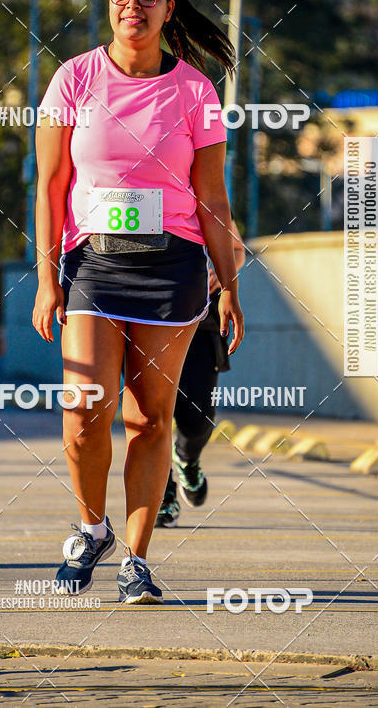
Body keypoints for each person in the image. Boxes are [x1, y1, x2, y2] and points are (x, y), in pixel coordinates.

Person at [32, 0, 244, 605]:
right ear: (110, 3)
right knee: (83, 414)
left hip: (173, 266)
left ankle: (137, 559)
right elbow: (49, 185)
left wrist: (230, 281)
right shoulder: (73, 79)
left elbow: (212, 197)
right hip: (93, 262)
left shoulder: (196, 93)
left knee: (150, 421)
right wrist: (47, 277)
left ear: (168, 8)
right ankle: (92, 526)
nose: (133, 3)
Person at [156, 217, 246, 527]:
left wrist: (222, 279)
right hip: (141, 313)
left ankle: (187, 457)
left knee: (197, 418)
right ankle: (163, 497)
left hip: (199, 316)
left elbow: (235, 248)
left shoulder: (195, 186)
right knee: (152, 416)